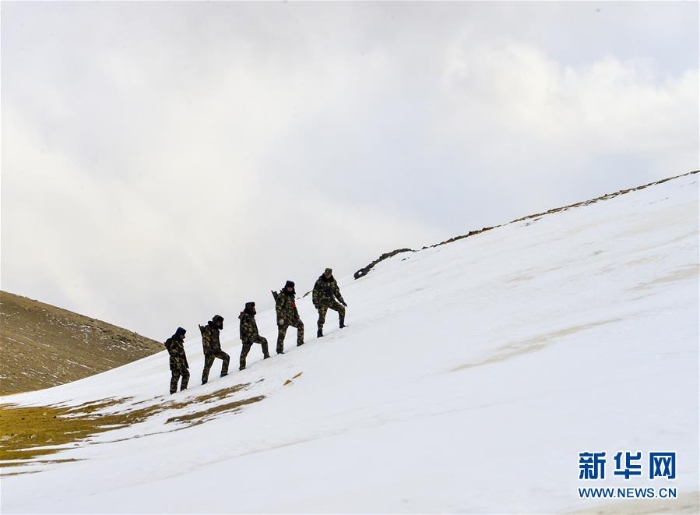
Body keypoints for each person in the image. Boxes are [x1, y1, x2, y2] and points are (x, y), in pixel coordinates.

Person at [271, 280, 304, 353]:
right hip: (283, 320)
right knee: (281, 336)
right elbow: (278, 308)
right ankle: (279, 351)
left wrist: (296, 315)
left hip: (291, 318)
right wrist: (281, 318)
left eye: (291, 287)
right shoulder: (282, 295)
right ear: (286, 287)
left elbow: (294, 307)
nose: (290, 289)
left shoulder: (291, 296)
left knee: (301, 325)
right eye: (289, 287)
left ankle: (300, 342)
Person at [312, 267, 347, 337]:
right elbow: (314, 293)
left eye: (329, 274)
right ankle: (319, 332)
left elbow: (336, 292)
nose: (327, 275)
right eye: (326, 274)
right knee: (322, 318)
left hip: (331, 301)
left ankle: (341, 324)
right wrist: (315, 303)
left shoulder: (333, 281)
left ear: (331, 274)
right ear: (325, 273)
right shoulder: (319, 282)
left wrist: (342, 301)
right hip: (322, 302)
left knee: (342, 309)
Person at [238, 301, 270, 370]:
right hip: (248, 338)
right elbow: (246, 328)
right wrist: (250, 337)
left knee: (264, 341)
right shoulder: (246, 316)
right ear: (250, 308)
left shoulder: (249, 315)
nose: (254, 309)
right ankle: (242, 367)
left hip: (253, 336)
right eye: (253, 307)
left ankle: (266, 355)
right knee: (244, 353)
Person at [199, 314, 230, 384]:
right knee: (207, 366)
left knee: (226, 357)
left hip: (217, 351)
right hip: (210, 352)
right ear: (215, 321)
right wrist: (208, 351)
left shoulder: (216, 330)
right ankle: (204, 382)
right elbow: (205, 340)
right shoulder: (208, 329)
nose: (219, 323)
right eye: (218, 321)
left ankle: (224, 373)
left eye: (220, 322)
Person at [164, 326, 189, 394]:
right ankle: (173, 392)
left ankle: (182, 390)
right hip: (175, 363)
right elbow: (172, 351)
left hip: (181, 363)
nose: (184, 336)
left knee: (183, 375)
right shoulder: (172, 341)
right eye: (183, 335)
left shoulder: (179, 341)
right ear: (179, 334)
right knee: (177, 377)